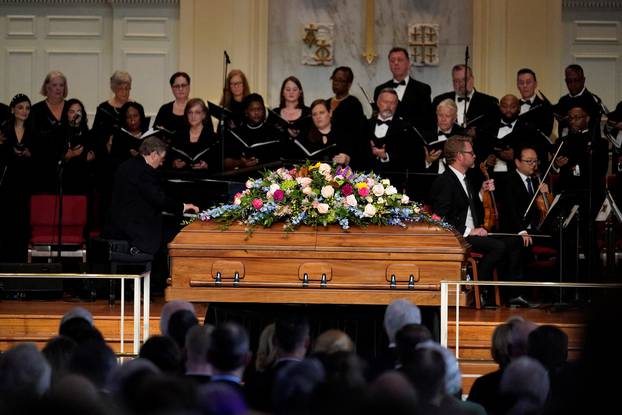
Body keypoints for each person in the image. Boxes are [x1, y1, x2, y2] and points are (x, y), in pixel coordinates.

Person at [429, 136, 511, 300]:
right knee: (499, 247)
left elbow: (466, 207)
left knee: (514, 242)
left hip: (470, 232)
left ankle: (510, 295)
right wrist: (470, 231)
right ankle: (475, 290)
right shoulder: (445, 181)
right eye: (471, 152)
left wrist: (482, 193)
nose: (474, 156)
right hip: (458, 237)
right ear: (460, 156)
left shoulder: (465, 178)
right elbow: (441, 219)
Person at [103, 136, 199, 257]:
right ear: (154, 154)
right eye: (162, 159)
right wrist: (182, 206)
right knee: (174, 236)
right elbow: (159, 199)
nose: (162, 163)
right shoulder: (144, 172)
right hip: (133, 229)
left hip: (118, 224)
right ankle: (163, 272)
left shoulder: (127, 165)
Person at [0, 94, 36, 262]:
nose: (24, 111)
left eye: (27, 108)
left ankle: (19, 265)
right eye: (21, 107)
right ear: (13, 109)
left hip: (25, 184)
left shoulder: (34, 131)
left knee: (22, 226)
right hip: (7, 184)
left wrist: (30, 154)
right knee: (6, 224)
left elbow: (40, 159)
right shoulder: (4, 130)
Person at [481, 94, 549, 175]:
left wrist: (515, 155)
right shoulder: (488, 127)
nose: (508, 110)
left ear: (519, 108)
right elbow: (479, 151)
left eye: (513, 107)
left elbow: (539, 155)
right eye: (504, 106)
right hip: (491, 176)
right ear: (499, 108)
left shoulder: (529, 130)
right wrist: (486, 160)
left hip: (517, 177)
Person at [374, 47, 433, 130]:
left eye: (400, 60)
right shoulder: (379, 89)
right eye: (392, 60)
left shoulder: (423, 89)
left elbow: (426, 120)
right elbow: (376, 119)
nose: (396, 63)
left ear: (408, 63)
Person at [366, 88, 418, 179]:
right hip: (364, 180)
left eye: (393, 103)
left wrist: (386, 156)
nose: (389, 106)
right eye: (385, 102)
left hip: (392, 181)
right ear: (377, 103)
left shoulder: (405, 128)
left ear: (396, 105)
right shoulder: (365, 125)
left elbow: (409, 157)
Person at [30, 70, 69, 193]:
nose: (58, 89)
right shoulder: (36, 110)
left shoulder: (71, 107)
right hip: (44, 166)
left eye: (61, 85)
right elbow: (33, 138)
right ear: (47, 87)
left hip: (68, 165)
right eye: (54, 85)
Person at [433, 64, 498, 135]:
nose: (461, 84)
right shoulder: (439, 100)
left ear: (472, 79)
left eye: (465, 79)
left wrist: (477, 133)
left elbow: (493, 131)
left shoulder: (490, 102)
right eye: (456, 81)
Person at [224, 93, 283, 171]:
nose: (256, 113)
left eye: (259, 109)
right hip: (243, 176)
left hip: (269, 176)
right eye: (252, 110)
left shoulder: (274, 132)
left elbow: (281, 159)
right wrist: (240, 162)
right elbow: (225, 162)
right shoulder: (236, 133)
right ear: (246, 112)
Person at [285, 99, 352, 166]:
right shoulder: (304, 137)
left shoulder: (342, 133)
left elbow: (354, 157)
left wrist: (346, 159)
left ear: (330, 113)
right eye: (314, 114)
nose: (318, 117)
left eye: (322, 113)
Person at [168, 98, 221, 173]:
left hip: (205, 180)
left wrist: (207, 166)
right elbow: (168, 159)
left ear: (204, 115)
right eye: (190, 112)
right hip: (182, 179)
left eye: (197, 112)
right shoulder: (177, 136)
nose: (193, 116)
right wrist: (174, 163)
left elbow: (219, 165)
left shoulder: (214, 138)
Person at [326, 67, 367, 155]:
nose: (336, 83)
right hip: (326, 150)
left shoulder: (353, 104)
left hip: (345, 153)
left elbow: (357, 134)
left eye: (341, 80)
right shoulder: (326, 103)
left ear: (349, 84)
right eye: (334, 79)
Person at [555, 64, 603, 138]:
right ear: (565, 81)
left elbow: (594, 127)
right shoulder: (563, 101)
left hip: (587, 144)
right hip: (565, 143)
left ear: (583, 80)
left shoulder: (592, 100)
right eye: (569, 81)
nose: (573, 84)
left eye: (576, 80)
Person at [60, 98, 96, 195]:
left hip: (85, 179)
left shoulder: (87, 132)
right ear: (66, 114)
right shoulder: (62, 133)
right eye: (72, 111)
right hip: (68, 179)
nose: (76, 114)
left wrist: (92, 156)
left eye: (79, 111)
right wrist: (71, 154)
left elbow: (92, 151)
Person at [422, 98, 466, 175]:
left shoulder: (462, 135)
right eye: (440, 115)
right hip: (430, 179)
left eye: (447, 116)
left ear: (454, 118)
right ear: (436, 114)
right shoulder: (425, 133)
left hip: (454, 180)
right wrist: (428, 161)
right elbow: (415, 165)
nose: (443, 119)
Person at [93, 70, 133, 145]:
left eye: (127, 88)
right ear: (114, 89)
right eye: (120, 89)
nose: (124, 92)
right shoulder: (103, 108)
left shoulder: (135, 107)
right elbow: (95, 132)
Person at [271, 76, 311, 145]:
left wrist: (299, 135)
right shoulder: (274, 113)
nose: (291, 92)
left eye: (295, 90)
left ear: (300, 92)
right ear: (282, 93)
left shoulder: (308, 113)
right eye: (288, 89)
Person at [516, 68, 554, 137]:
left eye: (528, 82)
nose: (525, 86)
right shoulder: (513, 106)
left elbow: (546, 133)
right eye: (521, 83)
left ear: (535, 84)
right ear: (517, 86)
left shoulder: (545, 107)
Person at [154, 72, 191, 141]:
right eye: (177, 86)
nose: (180, 89)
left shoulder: (199, 108)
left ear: (189, 87)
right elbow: (155, 134)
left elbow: (208, 133)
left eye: (183, 85)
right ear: (172, 89)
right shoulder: (164, 109)